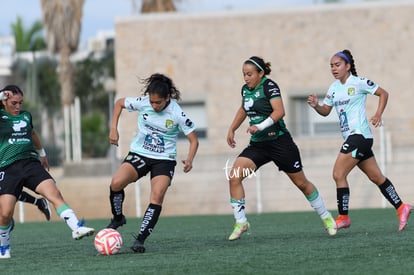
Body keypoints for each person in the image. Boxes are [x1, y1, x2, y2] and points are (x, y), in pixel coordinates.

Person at [226, 56, 337, 241]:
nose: (246, 78)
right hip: (258, 146)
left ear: (260, 73)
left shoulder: (269, 86)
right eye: (244, 74)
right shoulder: (245, 90)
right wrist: (232, 128)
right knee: (234, 176)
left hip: (280, 143)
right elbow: (244, 109)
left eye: (249, 74)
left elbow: (279, 111)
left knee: (301, 183)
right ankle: (241, 221)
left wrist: (259, 126)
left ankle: (327, 218)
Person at [307, 49, 412, 231]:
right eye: (331, 65)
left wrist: (378, 114)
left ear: (348, 66)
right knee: (376, 177)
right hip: (353, 138)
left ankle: (343, 217)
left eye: (337, 64)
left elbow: (383, 93)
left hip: (360, 136)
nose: (334, 68)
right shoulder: (333, 87)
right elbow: (325, 111)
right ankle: (402, 207)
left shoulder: (358, 82)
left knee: (338, 174)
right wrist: (316, 106)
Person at [106, 73, 199, 253]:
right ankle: (118, 218)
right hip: (140, 153)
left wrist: (189, 160)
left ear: (167, 98)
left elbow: (194, 140)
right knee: (116, 183)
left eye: (158, 102)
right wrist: (113, 129)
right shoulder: (144, 103)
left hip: (164, 160)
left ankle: (140, 239)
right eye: (152, 102)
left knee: (156, 196)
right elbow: (119, 103)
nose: (154, 105)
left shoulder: (177, 113)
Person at [0, 85, 95, 259]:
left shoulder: (26, 116)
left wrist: (42, 154)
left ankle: (76, 227)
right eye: (14, 103)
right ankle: (4, 246)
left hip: (31, 163)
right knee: (5, 214)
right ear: (4, 101)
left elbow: (33, 133)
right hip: (8, 166)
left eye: (20, 103)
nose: (18, 107)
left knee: (54, 193)